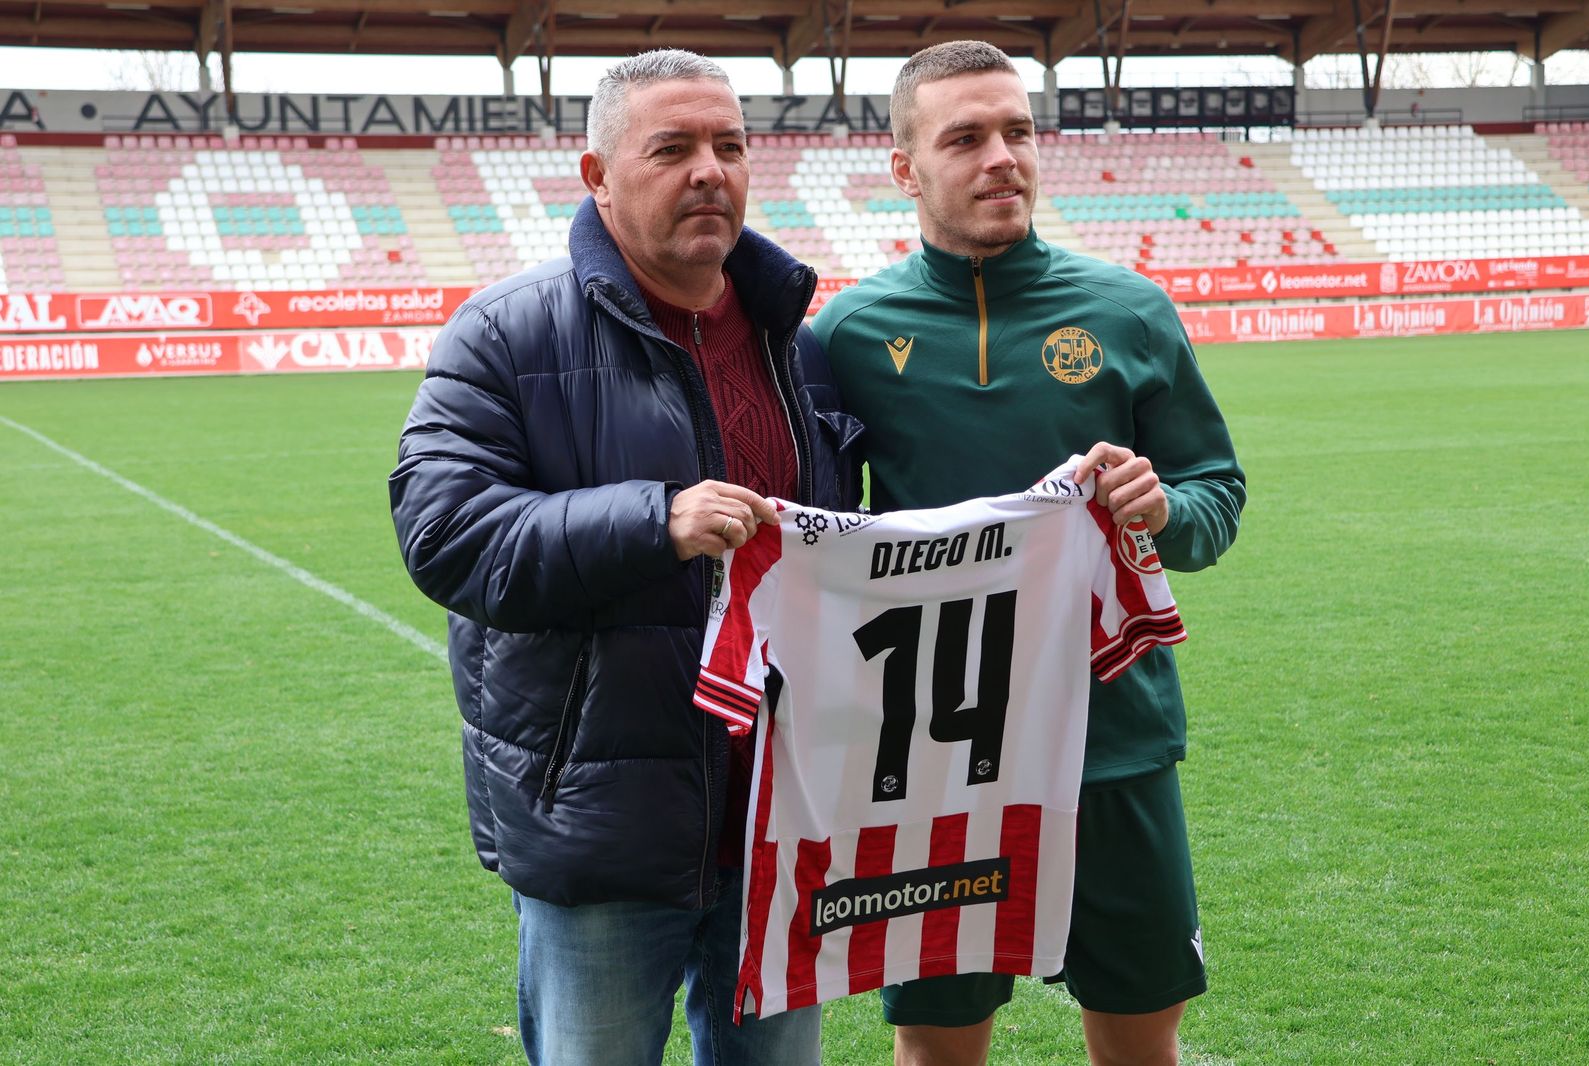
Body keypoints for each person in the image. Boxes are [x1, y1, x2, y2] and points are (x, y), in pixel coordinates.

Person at [389, 49, 859, 1066]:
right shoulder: (504, 334)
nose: (709, 171)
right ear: (597, 176)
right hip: (601, 825)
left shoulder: (800, 345)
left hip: (779, 825)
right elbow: (445, 535)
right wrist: (654, 519)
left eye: (730, 146)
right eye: (673, 148)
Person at [809, 40, 1246, 1066]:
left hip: (1115, 734)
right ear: (904, 168)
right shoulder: (848, 335)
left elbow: (1215, 497)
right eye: (965, 137)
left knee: (1140, 1037)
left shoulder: (1127, 312)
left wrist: (1161, 509)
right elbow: (824, 530)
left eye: (1017, 130)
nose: (1001, 155)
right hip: (933, 760)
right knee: (938, 1043)